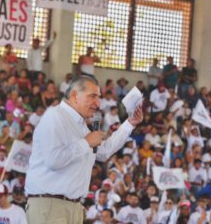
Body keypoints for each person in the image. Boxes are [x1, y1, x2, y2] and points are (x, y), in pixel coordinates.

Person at [25, 76, 143, 224]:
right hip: (51, 206)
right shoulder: (55, 117)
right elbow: (53, 160)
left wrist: (130, 124)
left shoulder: (81, 125)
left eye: (99, 97)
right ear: (74, 96)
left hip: (74, 207)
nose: (98, 103)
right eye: (92, 96)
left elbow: (104, 152)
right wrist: (86, 142)